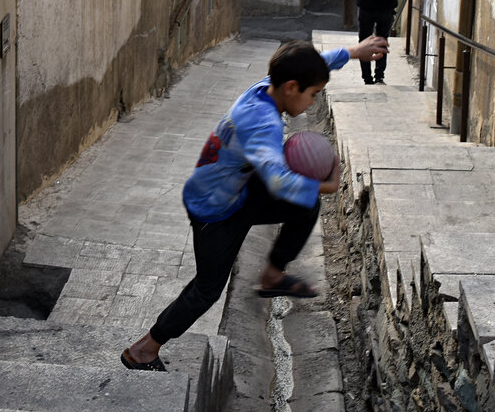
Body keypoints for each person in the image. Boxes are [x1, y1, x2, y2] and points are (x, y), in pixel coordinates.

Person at [121, 35, 390, 371]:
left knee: (305, 206)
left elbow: (310, 65)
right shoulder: (262, 124)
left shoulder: (268, 87)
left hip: (238, 192)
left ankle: (272, 276)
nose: (311, 103)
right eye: (313, 95)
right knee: (206, 291)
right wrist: (328, 184)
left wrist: (352, 52)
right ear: (292, 88)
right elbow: (279, 181)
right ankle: (145, 348)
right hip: (214, 212)